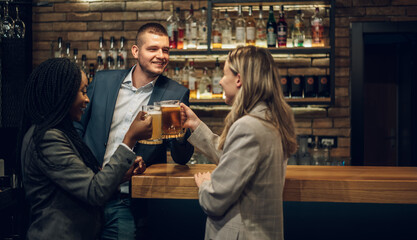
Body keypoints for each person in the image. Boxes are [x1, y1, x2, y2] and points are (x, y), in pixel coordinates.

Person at [74, 23, 194, 239]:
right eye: (153, 49)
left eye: (165, 50)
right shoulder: (103, 81)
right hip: (85, 192)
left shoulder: (176, 92)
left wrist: (182, 133)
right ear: (135, 51)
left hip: (127, 199)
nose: (161, 56)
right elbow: (77, 126)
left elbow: (181, 157)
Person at [17, 58, 152, 239]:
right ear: (63, 94)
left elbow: (86, 182)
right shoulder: (48, 138)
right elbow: (94, 191)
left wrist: (120, 173)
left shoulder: (61, 132)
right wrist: (129, 138)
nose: (87, 99)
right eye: (82, 92)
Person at [181, 46, 298, 239]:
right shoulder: (269, 119)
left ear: (238, 79)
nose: (219, 81)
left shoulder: (248, 126)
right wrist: (196, 124)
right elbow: (237, 160)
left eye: (224, 73)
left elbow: (214, 201)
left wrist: (205, 185)